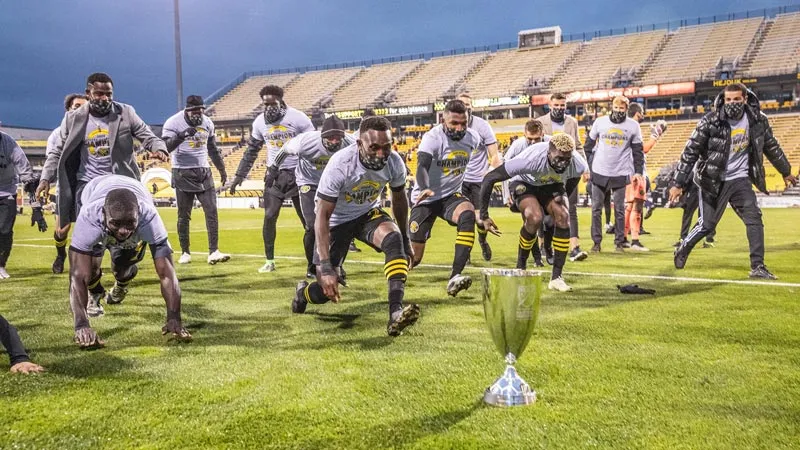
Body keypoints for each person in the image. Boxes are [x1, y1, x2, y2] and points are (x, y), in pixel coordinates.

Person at [36, 72, 168, 314]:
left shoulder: (125, 112)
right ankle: (94, 295)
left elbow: (146, 135)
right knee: (90, 256)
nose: (104, 98)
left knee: (123, 262)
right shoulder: (74, 118)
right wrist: (45, 178)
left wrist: (158, 147)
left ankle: (121, 281)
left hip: (123, 190)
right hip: (88, 189)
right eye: (99, 93)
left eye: (108, 93)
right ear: (88, 93)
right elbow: (56, 152)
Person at [291, 116, 420, 336]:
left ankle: (395, 313)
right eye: (374, 148)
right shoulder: (340, 165)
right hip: (336, 222)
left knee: (394, 240)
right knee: (326, 291)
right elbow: (322, 216)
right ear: (359, 144)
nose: (381, 154)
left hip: (366, 213)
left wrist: (407, 240)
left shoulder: (395, 161)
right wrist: (325, 265)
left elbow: (399, 200)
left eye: (386, 147)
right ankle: (303, 293)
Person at [670, 83, 797, 279]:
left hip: (740, 179)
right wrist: (678, 183)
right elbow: (690, 152)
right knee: (707, 225)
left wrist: (786, 171)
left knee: (754, 218)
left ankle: (758, 266)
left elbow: (771, 146)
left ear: (745, 99)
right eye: (728, 100)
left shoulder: (757, 120)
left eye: (737, 99)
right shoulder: (710, 121)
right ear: (723, 100)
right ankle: (685, 246)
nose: (732, 103)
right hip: (713, 180)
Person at [68, 175, 191, 349]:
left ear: (138, 214)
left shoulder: (149, 217)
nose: (123, 231)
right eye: (116, 223)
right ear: (103, 214)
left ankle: (122, 283)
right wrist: (81, 325)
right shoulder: (89, 216)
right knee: (91, 270)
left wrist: (174, 317)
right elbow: (77, 277)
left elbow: (167, 273)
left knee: (122, 267)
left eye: (130, 223)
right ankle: (96, 295)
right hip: (93, 190)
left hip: (133, 193)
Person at [480, 134, 586, 291]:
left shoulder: (577, 164)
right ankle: (520, 267)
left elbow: (572, 181)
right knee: (534, 217)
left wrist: (559, 199)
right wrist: (484, 215)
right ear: (548, 153)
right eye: (558, 159)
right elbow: (489, 178)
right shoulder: (531, 159)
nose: (563, 163)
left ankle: (556, 278)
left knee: (563, 216)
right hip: (524, 182)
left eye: (566, 159)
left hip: (551, 184)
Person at [229, 85, 314, 273]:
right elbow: (252, 150)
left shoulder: (298, 118)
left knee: (309, 222)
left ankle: (312, 265)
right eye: (265, 104)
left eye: (272, 103)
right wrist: (239, 175)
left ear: (281, 101)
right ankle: (269, 261)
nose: (268, 107)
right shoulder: (259, 122)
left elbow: (313, 145)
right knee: (269, 216)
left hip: (299, 173)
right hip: (274, 175)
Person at [410, 100, 486, 296]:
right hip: (425, 199)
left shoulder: (473, 138)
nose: (459, 128)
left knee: (467, 215)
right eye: (454, 123)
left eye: (463, 123)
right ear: (443, 120)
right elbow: (422, 166)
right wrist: (425, 187)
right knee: (414, 258)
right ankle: (395, 275)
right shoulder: (432, 138)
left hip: (450, 196)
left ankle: (455, 276)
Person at [267, 115, 354, 278]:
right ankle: (312, 266)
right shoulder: (305, 142)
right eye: (330, 137)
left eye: (338, 138)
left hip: (335, 185)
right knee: (312, 225)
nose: (335, 141)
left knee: (341, 226)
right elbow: (284, 149)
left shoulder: (352, 143)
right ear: (322, 136)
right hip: (310, 182)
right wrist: (273, 168)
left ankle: (337, 265)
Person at [162, 95, 230, 265]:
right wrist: (182, 135)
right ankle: (185, 252)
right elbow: (165, 148)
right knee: (183, 215)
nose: (198, 114)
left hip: (204, 170)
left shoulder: (207, 123)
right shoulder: (173, 123)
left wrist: (221, 169)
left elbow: (213, 148)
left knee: (212, 211)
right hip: (182, 171)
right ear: (187, 110)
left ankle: (214, 251)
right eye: (194, 111)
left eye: (200, 110)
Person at [583, 96, 645, 252]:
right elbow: (588, 146)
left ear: (626, 109)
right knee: (596, 208)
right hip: (599, 171)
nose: (618, 111)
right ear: (612, 108)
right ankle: (596, 243)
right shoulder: (600, 122)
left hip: (620, 172)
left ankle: (619, 242)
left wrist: (638, 171)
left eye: (622, 109)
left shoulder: (633, 126)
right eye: (616, 108)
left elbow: (638, 151)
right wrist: (588, 167)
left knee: (619, 209)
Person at [534, 93, 589, 262]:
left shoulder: (571, 122)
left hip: (568, 171)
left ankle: (574, 247)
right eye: (556, 105)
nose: (559, 108)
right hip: (547, 172)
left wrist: (585, 168)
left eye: (562, 105)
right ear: (550, 105)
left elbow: (578, 146)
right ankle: (543, 245)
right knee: (545, 211)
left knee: (570, 208)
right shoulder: (541, 122)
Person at [38, 93, 88, 274]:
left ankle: (88, 264)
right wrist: (45, 179)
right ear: (68, 110)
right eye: (77, 106)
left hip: (88, 184)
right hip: (67, 184)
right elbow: (53, 157)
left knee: (90, 225)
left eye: (84, 106)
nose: (81, 110)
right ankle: (60, 255)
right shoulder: (57, 134)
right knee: (62, 230)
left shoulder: (92, 130)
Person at [456, 94, 501, 261]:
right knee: (463, 217)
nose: (465, 107)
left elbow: (495, 155)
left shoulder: (482, 126)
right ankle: (465, 252)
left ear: (472, 107)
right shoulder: (450, 125)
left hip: (478, 181)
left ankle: (482, 240)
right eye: (461, 104)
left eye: (468, 104)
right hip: (459, 180)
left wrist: (490, 172)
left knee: (481, 220)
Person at [502, 119, 547, 268]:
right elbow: (504, 169)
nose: (533, 143)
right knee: (531, 219)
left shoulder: (550, 144)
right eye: (530, 139)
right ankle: (535, 258)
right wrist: (506, 194)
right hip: (521, 185)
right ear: (524, 135)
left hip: (541, 185)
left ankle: (540, 255)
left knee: (539, 221)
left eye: (537, 139)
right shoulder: (518, 146)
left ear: (543, 134)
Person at [622, 103, 668, 251]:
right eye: (641, 113)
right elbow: (644, 149)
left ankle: (623, 239)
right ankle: (634, 240)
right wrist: (656, 134)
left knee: (630, 206)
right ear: (637, 113)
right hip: (636, 172)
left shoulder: (625, 127)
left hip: (627, 171)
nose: (643, 115)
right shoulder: (633, 127)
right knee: (637, 206)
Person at [0, 131, 38, 279]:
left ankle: (1, 264)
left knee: (4, 230)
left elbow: (23, 165)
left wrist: (34, 203)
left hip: (6, 191)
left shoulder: (8, 142)